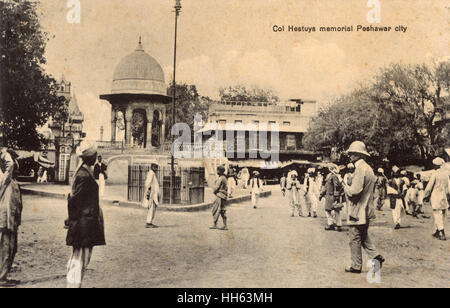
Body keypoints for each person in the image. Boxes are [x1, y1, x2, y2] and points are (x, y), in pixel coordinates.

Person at [66, 141, 106, 288]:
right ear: (90, 156)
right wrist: (73, 220)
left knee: (81, 259)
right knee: (79, 260)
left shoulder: (84, 171)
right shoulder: (84, 175)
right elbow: (75, 201)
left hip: (84, 223)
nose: (96, 156)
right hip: (83, 225)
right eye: (94, 154)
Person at [343, 141, 385, 274]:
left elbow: (354, 191)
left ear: (357, 155)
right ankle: (375, 257)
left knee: (354, 238)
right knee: (363, 235)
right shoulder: (368, 169)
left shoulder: (360, 169)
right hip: (366, 208)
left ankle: (356, 266)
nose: (350, 156)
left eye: (351, 154)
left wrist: (344, 184)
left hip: (358, 210)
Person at [0, 147, 22, 286]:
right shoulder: (4, 180)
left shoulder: (11, 182)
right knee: (6, 249)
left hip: (11, 220)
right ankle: (2, 278)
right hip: (6, 220)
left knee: (11, 248)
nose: (17, 169)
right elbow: (10, 165)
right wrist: (5, 151)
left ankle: (4, 276)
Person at [424, 157, 449, 241]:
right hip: (444, 196)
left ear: (436, 165)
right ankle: (437, 231)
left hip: (436, 195)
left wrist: (425, 195)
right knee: (442, 214)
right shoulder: (446, 174)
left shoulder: (435, 174)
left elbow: (429, 187)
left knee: (437, 214)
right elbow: (449, 187)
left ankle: (442, 232)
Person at [320, 163, 343, 231]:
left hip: (332, 196)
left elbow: (336, 187)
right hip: (329, 196)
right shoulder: (329, 176)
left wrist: (336, 196)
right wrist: (321, 194)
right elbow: (326, 187)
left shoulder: (334, 176)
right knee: (328, 210)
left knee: (335, 210)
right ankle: (331, 224)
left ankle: (338, 225)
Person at [211, 165, 228, 230]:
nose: (216, 171)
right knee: (222, 210)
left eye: (217, 170)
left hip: (220, 195)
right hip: (223, 196)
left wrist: (214, 191)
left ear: (220, 171)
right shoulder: (224, 178)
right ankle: (225, 225)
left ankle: (215, 224)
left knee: (216, 210)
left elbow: (216, 187)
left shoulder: (221, 178)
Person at [143, 163, 160, 228]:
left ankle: (150, 222)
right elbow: (147, 183)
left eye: (157, 167)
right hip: (152, 194)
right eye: (155, 167)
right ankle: (149, 222)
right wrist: (149, 191)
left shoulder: (152, 173)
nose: (156, 168)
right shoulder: (151, 173)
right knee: (151, 208)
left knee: (153, 208)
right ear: (152, 167)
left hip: (153, 194)